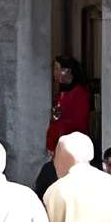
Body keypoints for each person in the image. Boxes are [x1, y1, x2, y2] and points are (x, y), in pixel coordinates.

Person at [35, 55, 93, 195]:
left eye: (57, 69)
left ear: (67, 71)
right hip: (56, 149)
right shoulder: (60, 93)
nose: (54, 73)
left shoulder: (80, 94)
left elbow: (79, 123)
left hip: (70, 150)